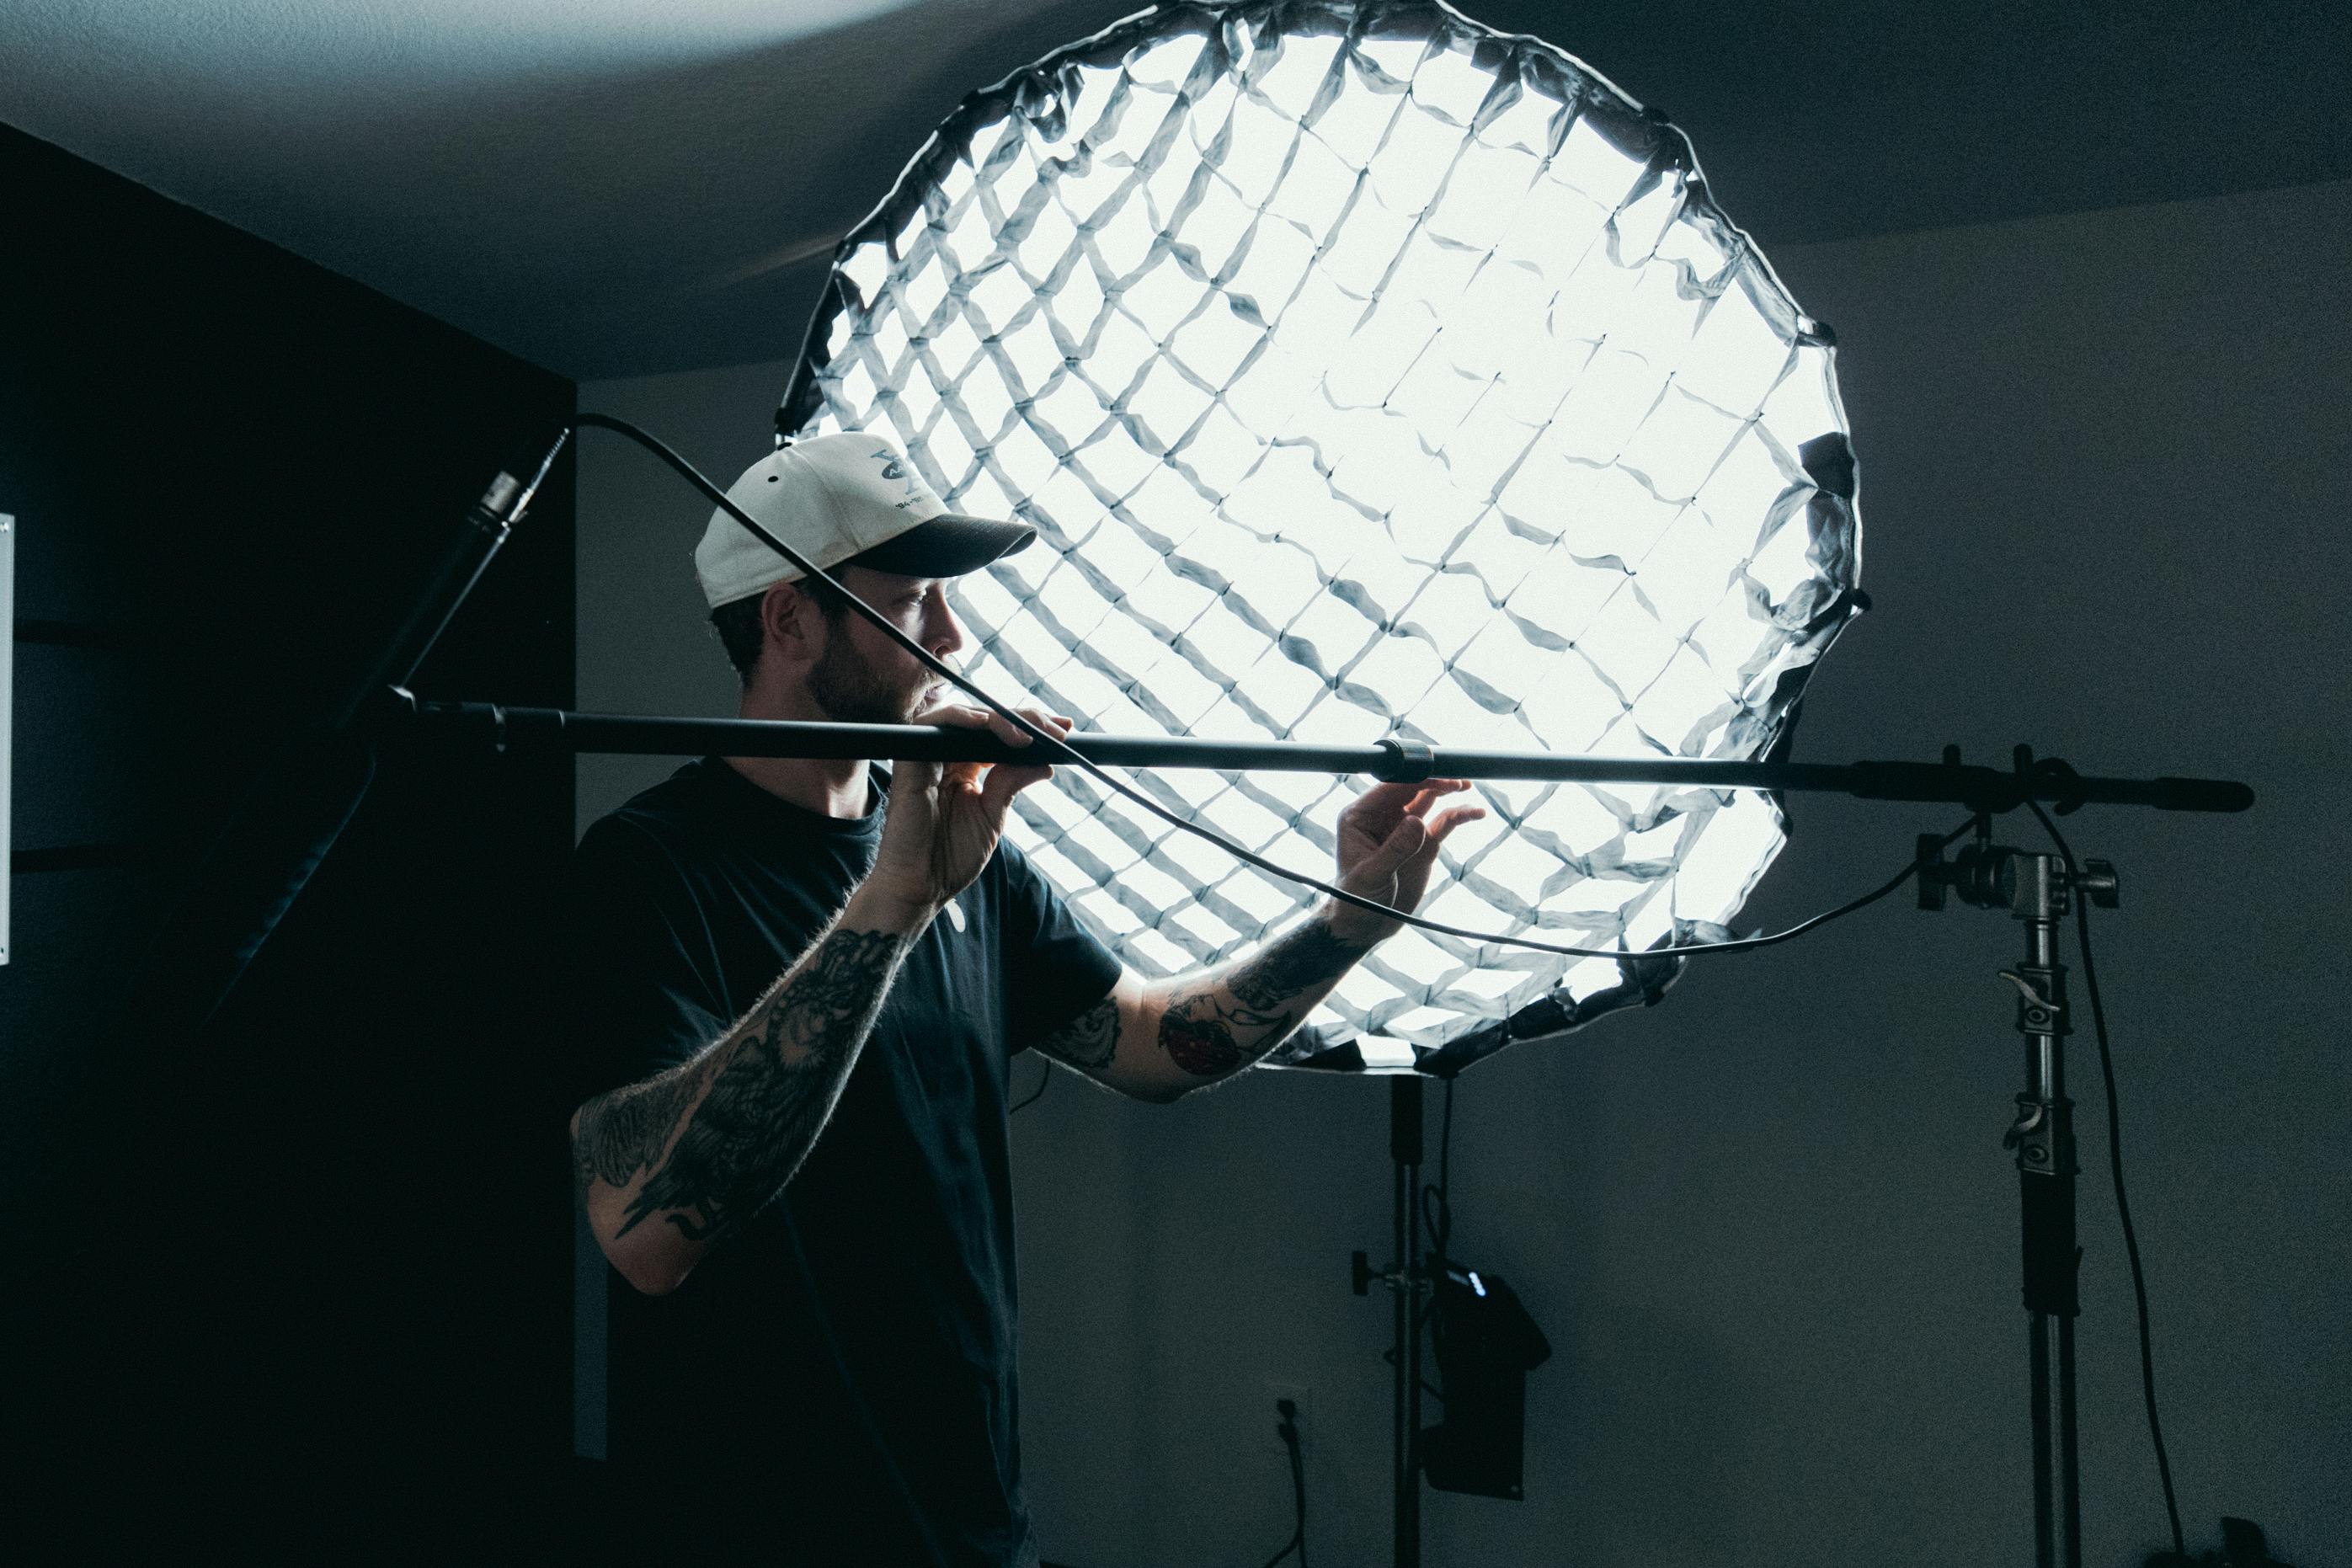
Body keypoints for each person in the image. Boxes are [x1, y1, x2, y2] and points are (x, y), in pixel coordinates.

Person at [566, 432, 1482, 1564]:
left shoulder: (968, 852)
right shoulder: (649, 868)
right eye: (910, 602)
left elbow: (1150, 1045)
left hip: (967, 1520)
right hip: (749, 1520)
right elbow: (646, 1234)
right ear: (788, 622)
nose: (952, 638)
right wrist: (896, 896)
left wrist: (1347, 922)